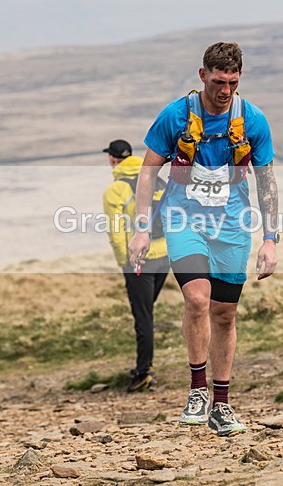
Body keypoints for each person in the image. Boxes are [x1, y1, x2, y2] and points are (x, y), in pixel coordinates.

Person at [128, 42, 278, 436]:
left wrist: (271, 238)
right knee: (197, 299)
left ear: (239, 79)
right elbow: (147, 172)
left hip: (232, 226)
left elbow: (266, 179)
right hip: (183, 221)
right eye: (217, 81)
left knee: (225, 314)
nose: (225, 89)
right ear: (202, 76)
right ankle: (197, 389)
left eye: (232, 81)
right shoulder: (175, 116)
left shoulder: (254, 120)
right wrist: (142, 227)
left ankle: (221, 403)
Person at [102, 139, 170, 393]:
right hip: (165, 256)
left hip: (139, 261)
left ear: (112, 159)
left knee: (143, 317)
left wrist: (124, 261)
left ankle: (144, 372)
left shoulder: (116, 190)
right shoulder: (157, 180)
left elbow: (116, 231)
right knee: (146, 312)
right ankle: (145, 367)